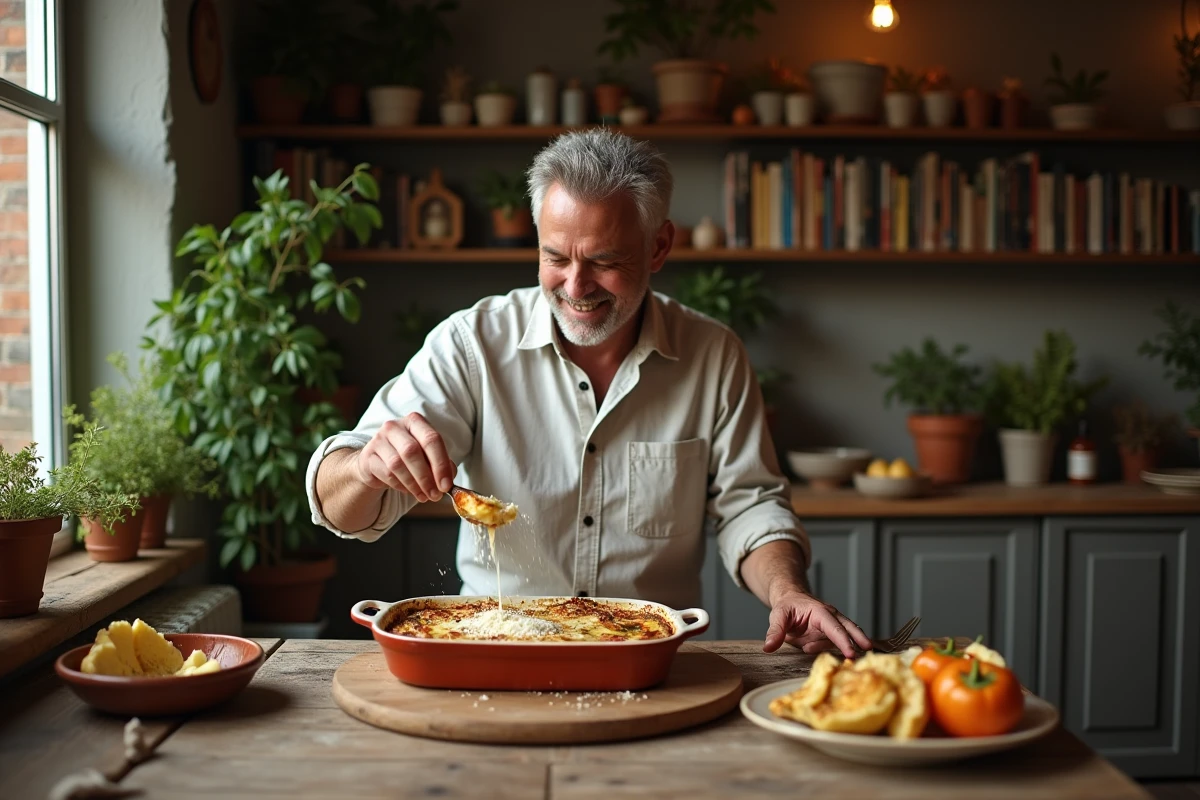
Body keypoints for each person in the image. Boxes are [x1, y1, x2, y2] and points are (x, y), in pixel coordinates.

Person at [305, 129, 872, 657]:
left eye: (604, 261)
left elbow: (750, 507)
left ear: (659, 247)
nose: (575, 287)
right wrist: (364, 469)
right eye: (555, 258)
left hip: (648, 658)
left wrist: (786, 592)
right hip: (492, 648)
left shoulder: (713, 356)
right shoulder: (472, 344)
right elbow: (340, 509)